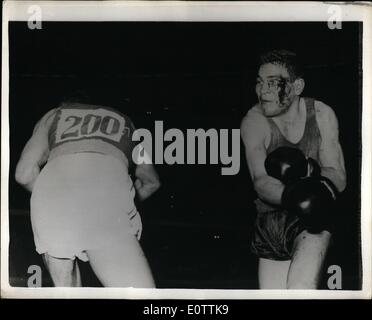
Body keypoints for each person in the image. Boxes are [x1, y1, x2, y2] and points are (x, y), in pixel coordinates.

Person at [15, 92, 160, 287]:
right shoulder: (125, 122)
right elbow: (151, 181)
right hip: (105, 194)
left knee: (69, 293)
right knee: (140, 297)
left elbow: (23, 173)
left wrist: (60, 198)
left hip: (52, 196)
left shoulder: (55, 115)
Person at [240, 49, 346, 289]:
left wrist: (310, 176)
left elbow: (338, 177)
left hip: (311, 221)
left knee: (300, 291)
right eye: (259, 82)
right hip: (269, 222)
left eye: (272, 83)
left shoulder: (321, 114)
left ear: (297, 86)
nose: (263, 91)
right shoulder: (254, 121)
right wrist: (294, 194)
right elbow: (260, 180)